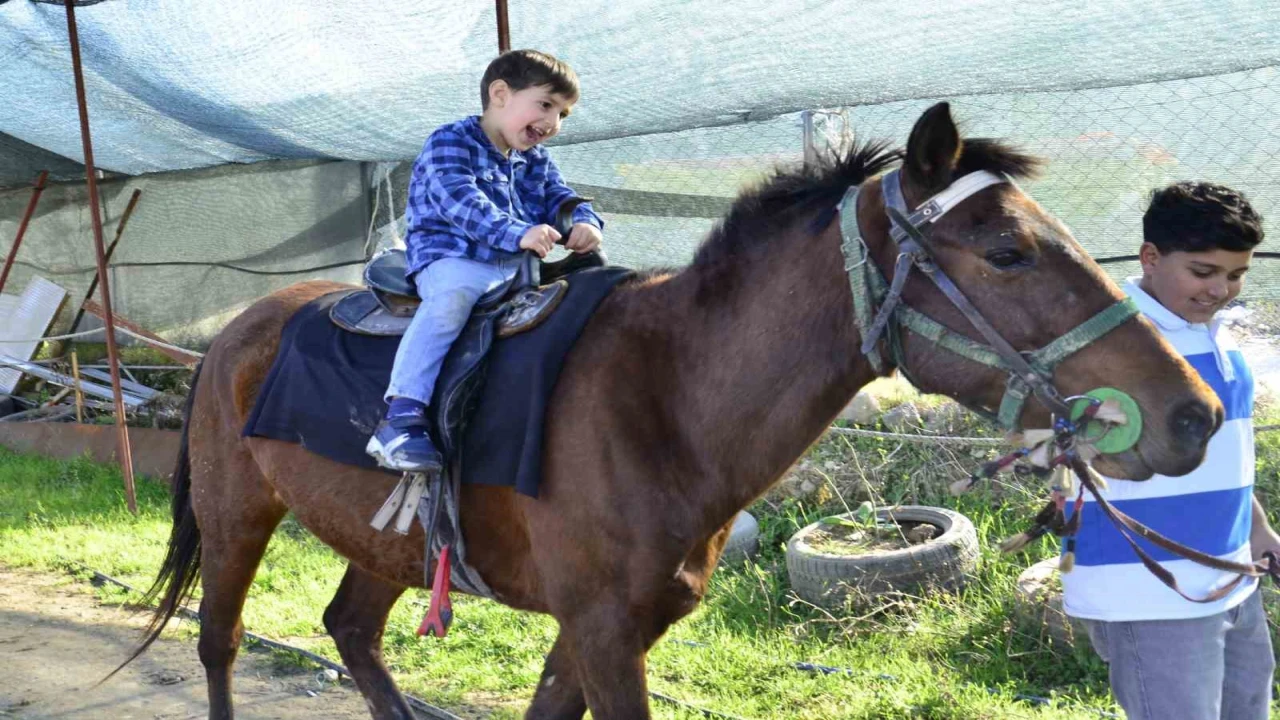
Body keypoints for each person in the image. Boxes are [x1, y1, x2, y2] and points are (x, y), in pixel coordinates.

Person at [1062, 181, 1276, 719]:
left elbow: (1223, 455)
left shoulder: (1217, 335)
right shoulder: (1104, 342)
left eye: (1236, 274)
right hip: (1151, 589)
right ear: (1151, 257)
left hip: (1231, 574)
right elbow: (1059, 454)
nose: (1220, 289)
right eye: (1202, 272)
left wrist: (1259, 531)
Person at [366, 49, 603, 473]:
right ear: (500, 94)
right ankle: (401, 416)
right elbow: (461, 202)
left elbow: (558, 195)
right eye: (545, 104)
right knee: (452, 300)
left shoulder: (534, 158)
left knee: (591, 286)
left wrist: (583, 221)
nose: (553, 122)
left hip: (513, 265)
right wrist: (518, 232)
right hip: (452, 257)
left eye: (563, 113)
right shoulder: (449, 142)